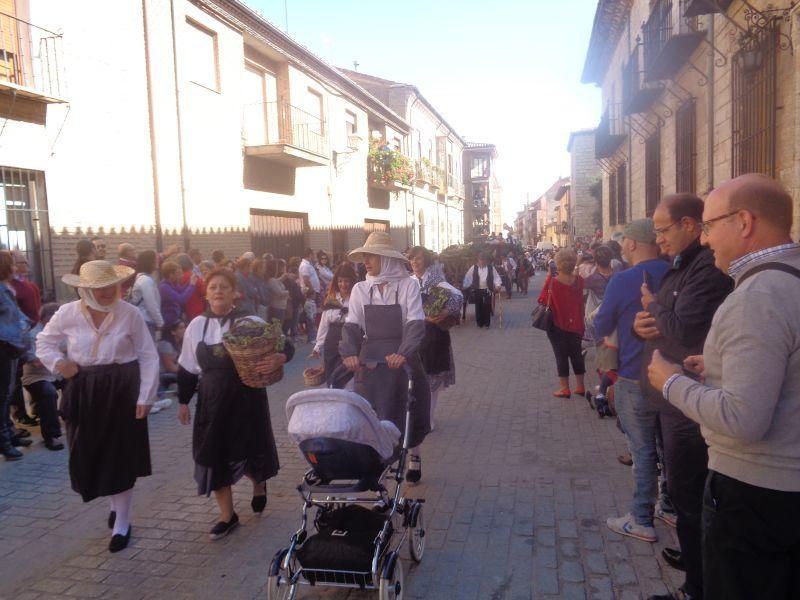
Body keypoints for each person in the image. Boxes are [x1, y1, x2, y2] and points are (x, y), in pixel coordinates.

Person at [648, 174, 800, 600]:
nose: (708, 238)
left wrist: (672, 382)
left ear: (745, 222)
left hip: (755, 493)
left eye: (711, 225)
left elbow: (743, 419)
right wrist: (715, 366)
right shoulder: (789, 277)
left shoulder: (758, 295)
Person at [634, 193, 734, 600]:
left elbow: (683, 327)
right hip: (669, 400)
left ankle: (698, 586)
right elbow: (668, 321)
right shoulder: (683, 265)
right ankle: (695, 562)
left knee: (690, 495)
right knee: (681, 494)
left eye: (663, 231)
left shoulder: (706, 269)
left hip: (686, 405)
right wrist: (650, 321)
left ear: (689, 225)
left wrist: (653, 308)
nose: (658, 241)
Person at [36, 260, 159, 552]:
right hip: (83, 388)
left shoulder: (129, 314)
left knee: (121, 454)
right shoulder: (68, 313)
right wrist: (59, 364)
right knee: (88, 451)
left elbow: (149, 356)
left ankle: (122, 521)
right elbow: (44, 342)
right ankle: (115, 503)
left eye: (111, 286)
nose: (107, 293)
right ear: (85, 290)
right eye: (99, 288)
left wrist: (145, 397)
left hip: (122, 388)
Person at [177, 269, 293, 540]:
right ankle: (227, 516)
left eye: (224, 287)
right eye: (213, 287)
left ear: (234, 293)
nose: (218, 291)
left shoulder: (248, 321)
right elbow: (186, 368)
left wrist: (280, 358)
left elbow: (283, 344)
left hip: (245, 398)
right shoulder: (196, 326)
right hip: (211, 402)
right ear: (206, 294)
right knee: (213, 453)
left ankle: (259, 483)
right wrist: (183, 402)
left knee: (251, 447)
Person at [593, 219, 670, 544]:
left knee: (642, 450)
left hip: (633, 373)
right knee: (668, 446)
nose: (621, 246)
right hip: (673, 375)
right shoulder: (674, 272)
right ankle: (670, 505)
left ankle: (641, 517)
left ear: (634, 244)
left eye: (624, 241)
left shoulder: (624, 279)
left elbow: (601, 324)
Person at [340, 232, 431, 483]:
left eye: (372, 257)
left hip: (402, 356)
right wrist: (349, 353)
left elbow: (415, 321)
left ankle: (413, 454)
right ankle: (379, 458)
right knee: (375, 411)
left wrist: (403, 353)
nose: (366, 262)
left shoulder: (408, 285)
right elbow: (352, 325)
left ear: (387, 259)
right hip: (372, 361)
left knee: (407, 406)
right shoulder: (360, 289)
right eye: (365, 257)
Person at [409, 246, 463, 431]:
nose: (415, 262)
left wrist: (445, 311)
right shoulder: (407, 282)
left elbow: (457, 296)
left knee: (432, 379)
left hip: (433, 336)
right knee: (414, 379)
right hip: (413, 335)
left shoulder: (436, 280)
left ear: (426, 260)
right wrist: (424, 316)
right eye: (412, 259)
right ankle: (417, 417)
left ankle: (429, 419)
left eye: (418, 258)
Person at [538, 249, 585, 398]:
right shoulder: (579, 281)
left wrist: (547, 277)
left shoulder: (552, 282)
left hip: (557, 324)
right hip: (577, 324)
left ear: (558, 264)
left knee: (561, 356)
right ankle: (580, 386)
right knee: (577, 355)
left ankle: (564, 388)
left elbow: (542, 300)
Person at [0, 251, 31, 461]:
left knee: (8, 393)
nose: (15, 267)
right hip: (3, 346)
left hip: (11, 345)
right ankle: (4, 441)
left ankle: (9, 434)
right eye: (12, 264)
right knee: (2, 396)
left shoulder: (6, 288)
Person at [22, 303, 63, 450]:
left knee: (79, 380)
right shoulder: (33, 334)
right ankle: (51, 435)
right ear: (47, 318)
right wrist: (61, 359)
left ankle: (72, 415)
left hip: (56, 374)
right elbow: (36, 363)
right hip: (36, 377)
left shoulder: (60, 332)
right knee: (49, 393)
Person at [311, 263, 356, 388]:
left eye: (346, 281)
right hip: (331, 344)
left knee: (347, 377)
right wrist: (318, 346)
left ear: (352, 281)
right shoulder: (331, 299)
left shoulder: (357, 299)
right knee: (331, 376)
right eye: (340, 281)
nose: (343, 284)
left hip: (349, 342)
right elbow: (324, 325)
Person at [129, 250, 163, 339]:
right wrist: (160, 322)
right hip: (146, 321)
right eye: (156, 259)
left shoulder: (143, 279)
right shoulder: (146, 281)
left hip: (145, 321)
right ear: (150, 262)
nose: (158, 261)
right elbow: (151, 304)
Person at [462, 253, 501, 328]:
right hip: (477, 289)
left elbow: (496, 277)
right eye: (481, 260)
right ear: (478, 260)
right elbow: (468, 277)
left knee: (487, 305)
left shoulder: (490, 268)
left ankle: (487, 323)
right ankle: (479, 323)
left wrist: (498, 285)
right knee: (478, 305)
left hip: (487, 289)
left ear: (486, 261)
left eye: (484, 260)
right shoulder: (474, 268)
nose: (482, 262)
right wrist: (465, 285)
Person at [159, 261, 196, 330]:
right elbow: (181, 299)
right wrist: (192, 285)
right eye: (178, 273)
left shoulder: (172, 283)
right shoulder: (164, 287)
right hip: (168, 321)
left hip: (174, 317)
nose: (181, 276)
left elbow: (181, 290)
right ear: (171, 275)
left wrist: (189, 282)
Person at [264, 259, 289, 323]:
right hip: (277, 307)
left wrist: (283, 277)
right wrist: (288, 292)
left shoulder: (272, 280)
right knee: (277, 327)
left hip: (279, 307)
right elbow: (279, 293)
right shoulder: (272, 280)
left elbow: (276, 282)